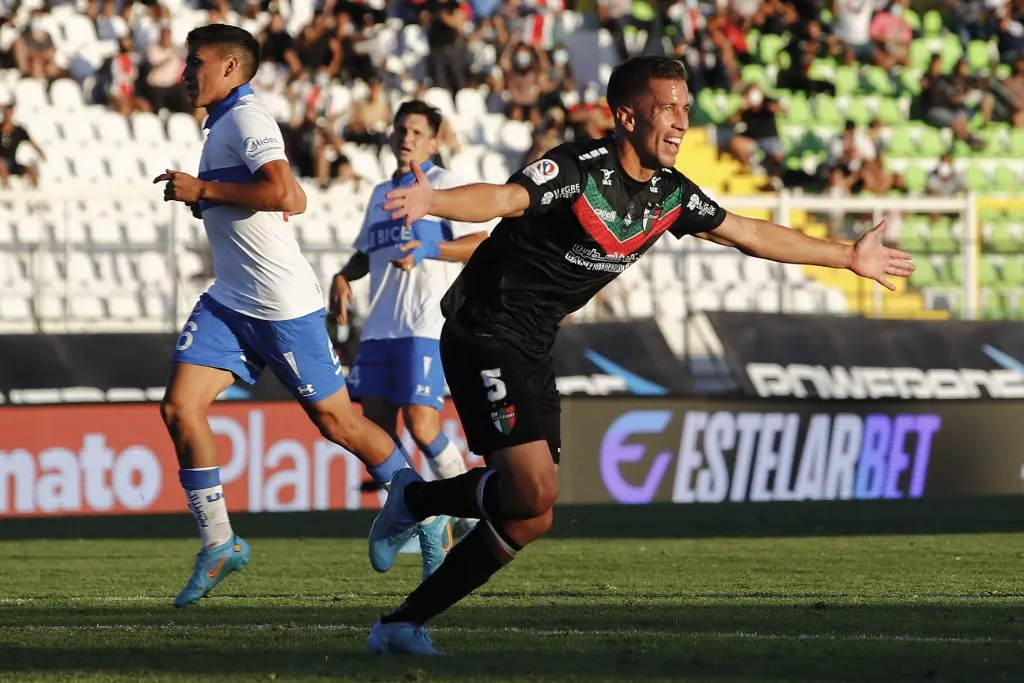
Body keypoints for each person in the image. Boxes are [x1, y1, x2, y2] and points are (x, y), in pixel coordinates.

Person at [363, 55, 916, 655]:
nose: (681, 120)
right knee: (530, 489)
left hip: (535, 340)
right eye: (666, 108)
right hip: (483, 328)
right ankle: (414, 507)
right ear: (626, 116)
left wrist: (846, 257)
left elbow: (750, 234)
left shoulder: (671, 194)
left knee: (532, 514)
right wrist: (435, 202)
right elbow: (502, 196)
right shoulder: (577, 167)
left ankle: (403, 612)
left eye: (685, 107)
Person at [152, 23, 415, 608]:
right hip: (232, 299)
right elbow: (274, 200)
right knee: (178, 407)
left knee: (338, 424)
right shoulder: (223, 122)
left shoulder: (246, 118)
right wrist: (206, 196)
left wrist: (204, 190)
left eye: (195, 61)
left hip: (281, 305)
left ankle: (416, 501)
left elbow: (284, 193)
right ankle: (221, 542)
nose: (184, 73)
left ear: (229, 68)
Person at [330, 100, 491, 578]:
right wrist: (343, 275)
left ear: (435, 141)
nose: (407, 137)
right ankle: (420, 513)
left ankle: (461, 511)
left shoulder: (442, 187)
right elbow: (366, 253)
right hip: (379, 328)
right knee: (376, 427)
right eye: (401, 129)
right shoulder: (380, 192)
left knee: (423, 424)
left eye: (418, 131)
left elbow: (481, 242)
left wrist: (430, 248)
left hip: (424, 324)